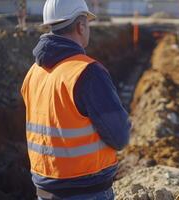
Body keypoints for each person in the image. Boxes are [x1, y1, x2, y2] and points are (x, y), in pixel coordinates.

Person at [20, 0, 131, 199]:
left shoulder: (33, 73)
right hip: (85, 190)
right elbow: (119, 136)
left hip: (44, 189)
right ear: (81, 26)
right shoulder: (87, 73)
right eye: (87, 24)